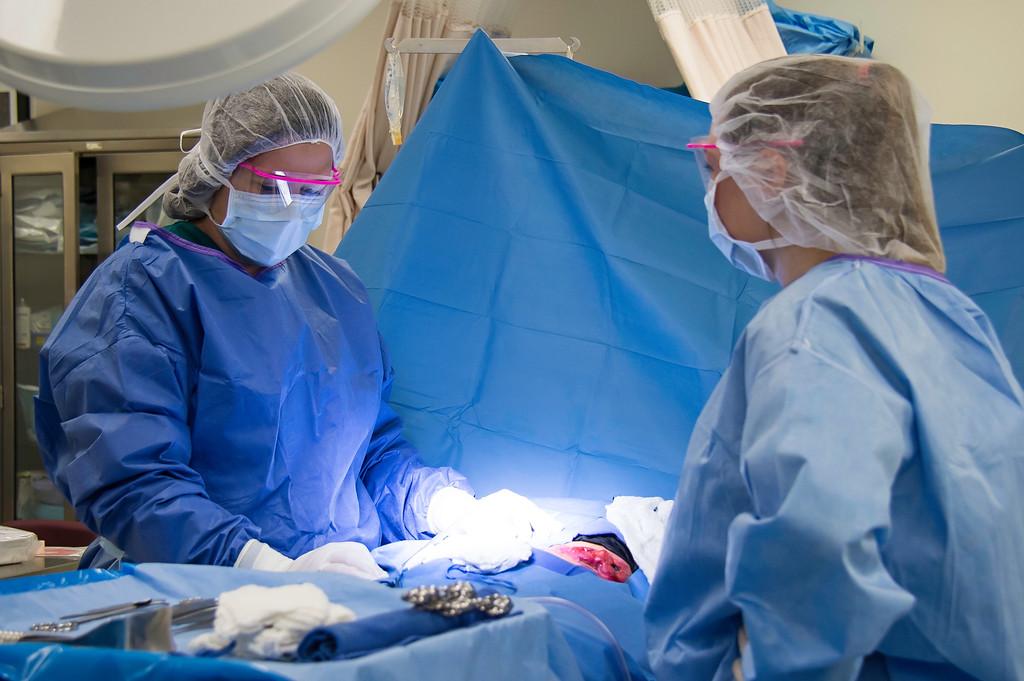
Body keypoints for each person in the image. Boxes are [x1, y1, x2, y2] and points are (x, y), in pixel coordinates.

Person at [645, 55, 1024, 680]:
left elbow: (819, 546)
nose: (711, 194)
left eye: (716, 168)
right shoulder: (951, 315)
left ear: (771, 170)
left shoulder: (818, 322)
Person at [35, 73, 479, 575]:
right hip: (189, 597)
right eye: (270, 187)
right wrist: (263, 567)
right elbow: (130, 478)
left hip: (345, 586)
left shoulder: (336, 289)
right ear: (217, 173)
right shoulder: (140, 292)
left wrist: (441, 507)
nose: (293, 207)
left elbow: (370, 452)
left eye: (314, 189)